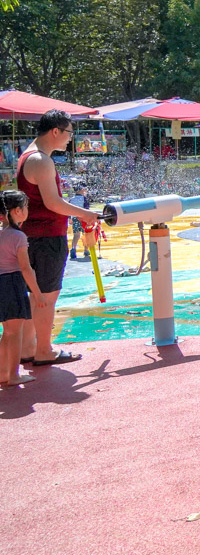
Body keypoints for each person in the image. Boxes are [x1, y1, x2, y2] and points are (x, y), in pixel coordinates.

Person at [17, 110, 99, 367]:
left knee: (35, 294)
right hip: (46, 238)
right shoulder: (41, 160)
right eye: (69, 133)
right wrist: (86, 214)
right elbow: (53, 203)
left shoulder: (28, 155)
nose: (70, 139)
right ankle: (43, 350)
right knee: (46, 296)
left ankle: (29, 347)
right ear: (55, 131)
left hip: (32, 236)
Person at [0, 191, 45, 386]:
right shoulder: (18, 236)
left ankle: (3, 373)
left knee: (7, 332)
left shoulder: (1, 234)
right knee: (15, 333)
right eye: (26, 207)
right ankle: (14, 375)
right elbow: (26, 269)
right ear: (18, 211)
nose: (27, 210)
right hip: (13, 284)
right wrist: (38, 294)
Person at [68, 183, 91, 260]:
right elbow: (86, 209)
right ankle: (86, 250)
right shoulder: (84, 199)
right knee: (85, 234)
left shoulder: (72, 199)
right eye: (84, 189)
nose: (85, 191)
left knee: (76, 235)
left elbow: (69, 209)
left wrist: (70, 218)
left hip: (75, 218)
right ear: (81, 190)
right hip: (83, 219)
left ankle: (73, 249)